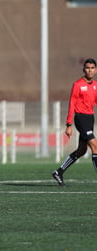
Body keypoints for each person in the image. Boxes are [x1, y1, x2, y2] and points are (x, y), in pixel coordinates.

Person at [52, 58, 97, 186]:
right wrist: (68, 124)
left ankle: (58, 172)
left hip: (90, 119)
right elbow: (72, 103)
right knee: (95, 146)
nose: (90, 70)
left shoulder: (95, 85)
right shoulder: (77, 85)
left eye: (92, 68)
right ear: (84, 69)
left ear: (95, 70)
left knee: (81, 151)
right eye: (87, 68)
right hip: (80, 118)